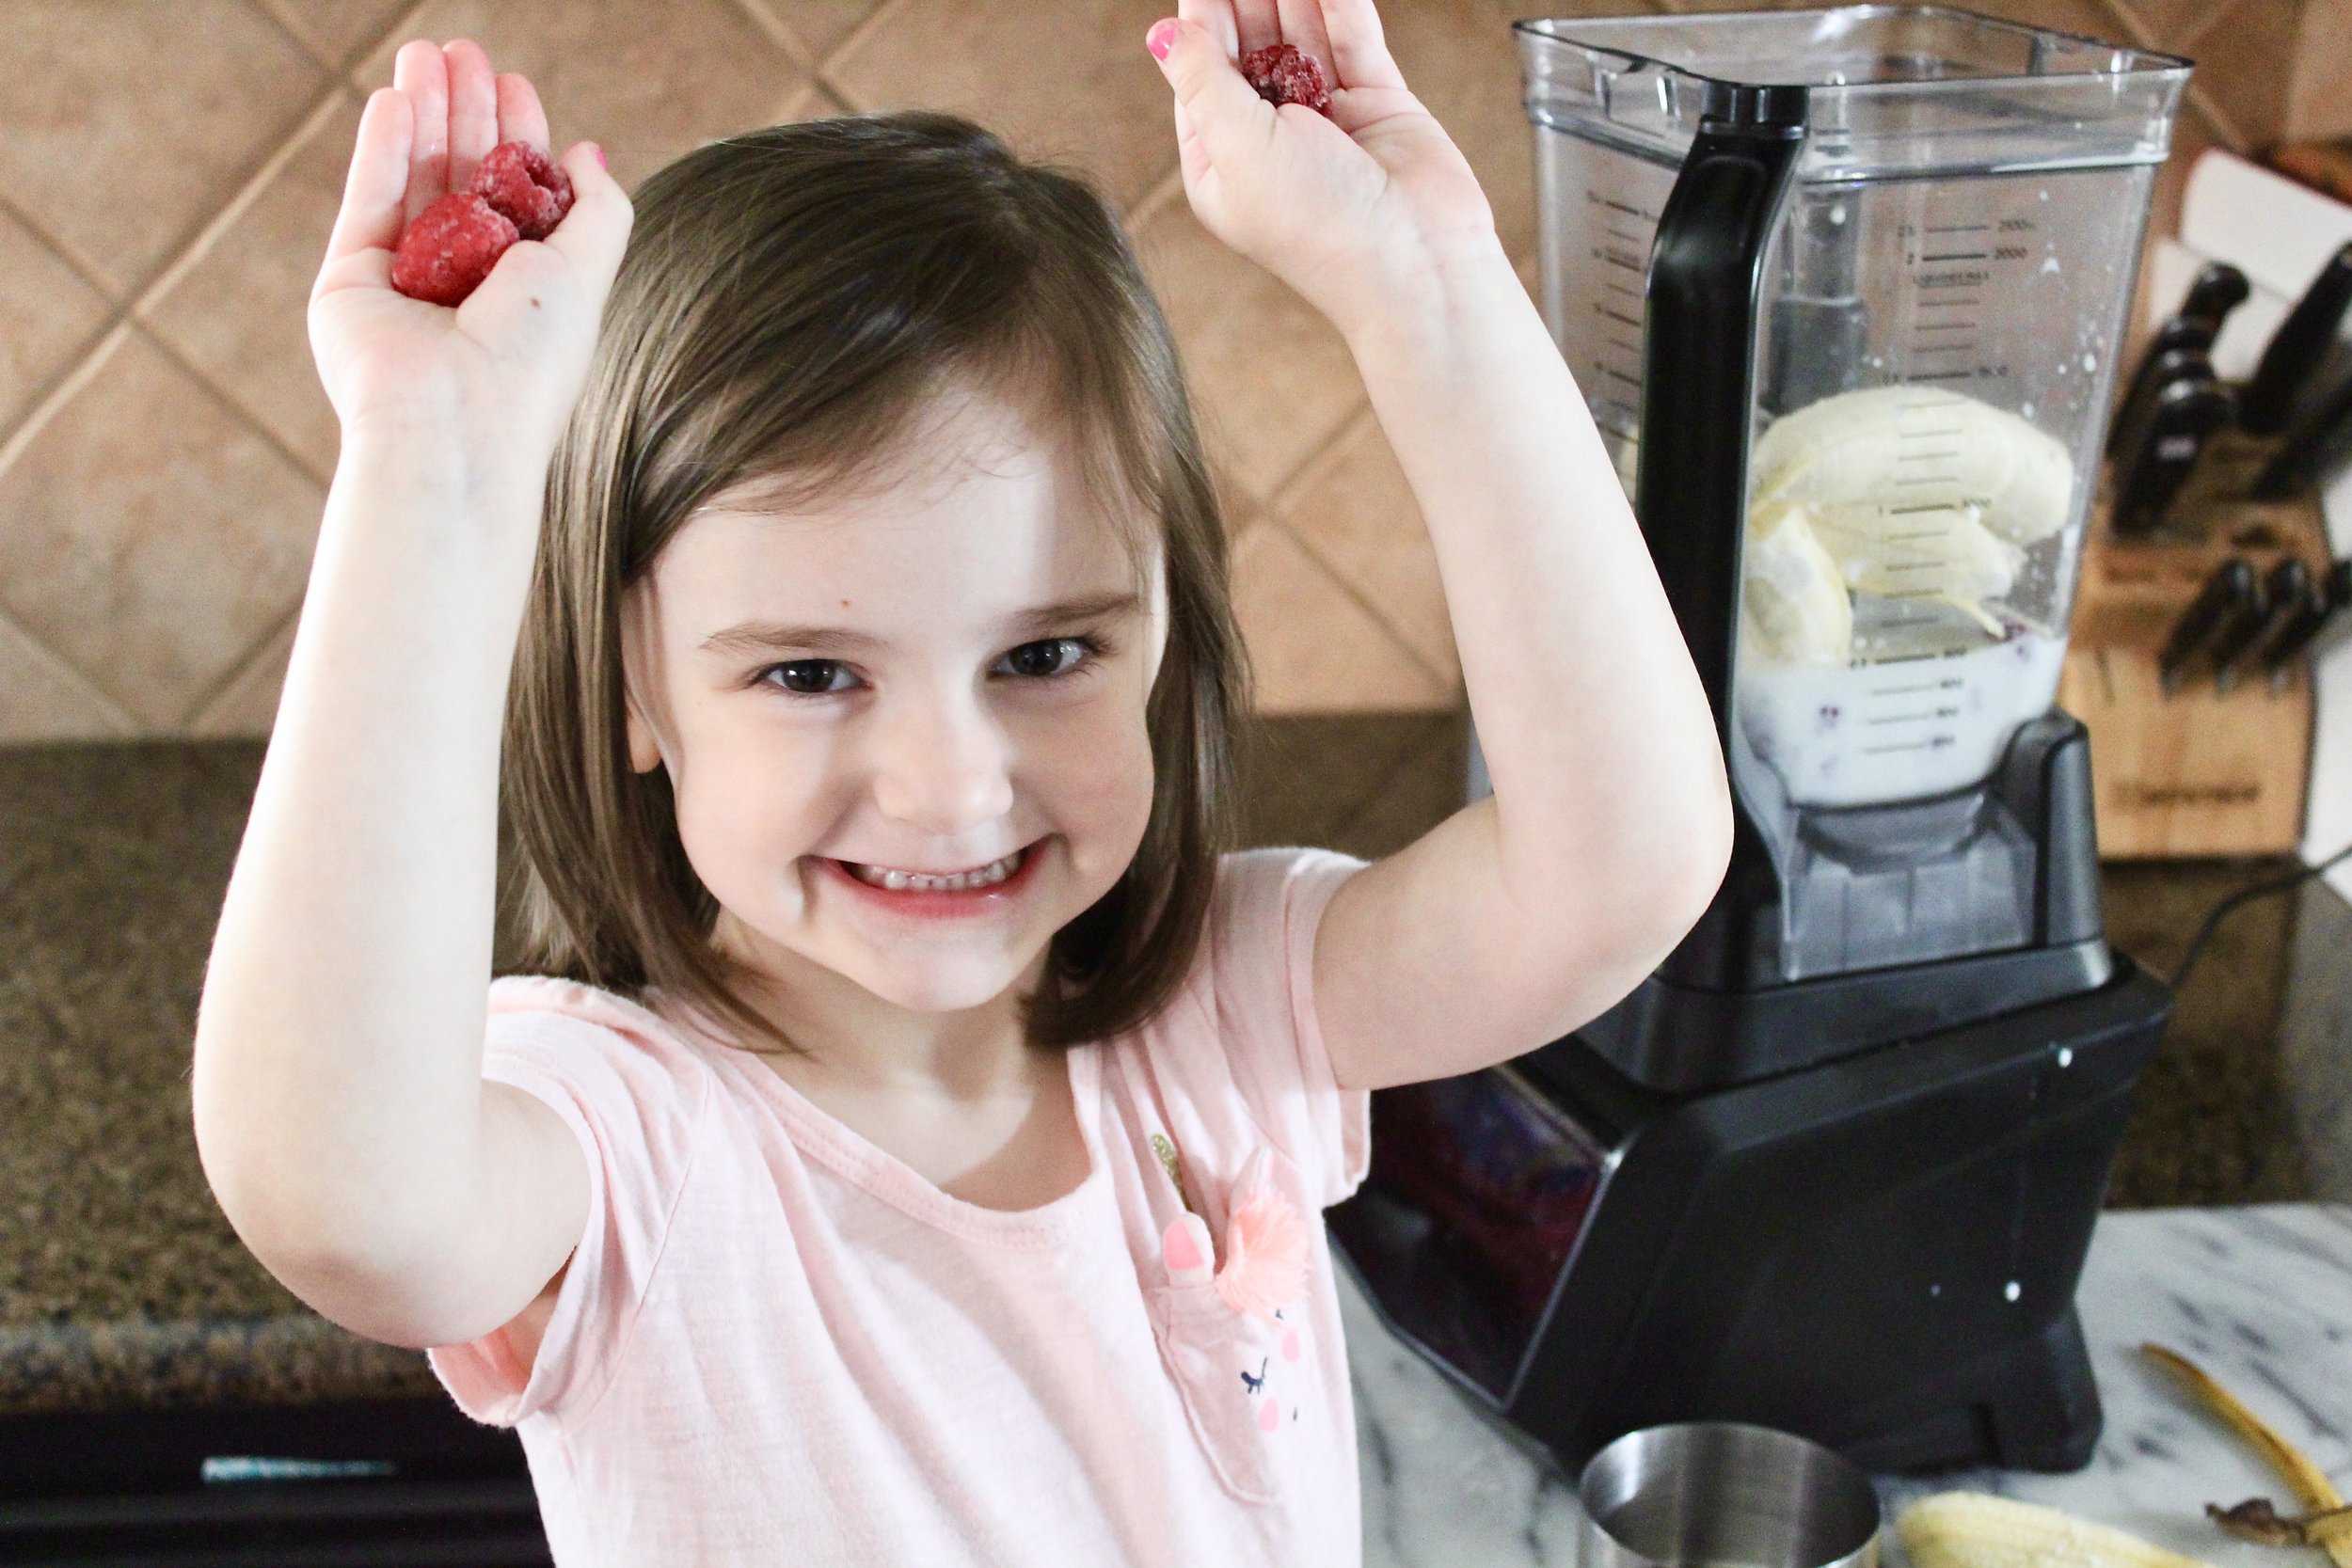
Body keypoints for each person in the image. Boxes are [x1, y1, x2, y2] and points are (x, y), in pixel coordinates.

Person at [190, 1, 1732, 1562]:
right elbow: (338, 1200)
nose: (947, 789)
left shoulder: (1222, 1017)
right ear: (630, 695)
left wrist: (1427, 291)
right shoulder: (626, 1146)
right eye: (808, 674)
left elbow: (1625, 865)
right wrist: (429, 463)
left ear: (1163, 640)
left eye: (1046, 655)